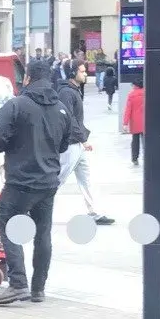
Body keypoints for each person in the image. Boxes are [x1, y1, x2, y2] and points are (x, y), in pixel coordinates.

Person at [0, 56, 70, 305]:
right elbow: (65, 143)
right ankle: (38, 289)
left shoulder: (16, 105)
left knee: (8, 225)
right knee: (42, 234)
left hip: (20, 182)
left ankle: (18, 283)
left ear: (27, 78)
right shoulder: (61, 109)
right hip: (48, 183)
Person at [56, 62, 114, 226]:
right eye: (82, 71)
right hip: (70, 144)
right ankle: (37, 208)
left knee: (86, 178)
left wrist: (82, 138)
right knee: (59, 179)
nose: (85, 74)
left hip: (77, 144)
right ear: (73, 73)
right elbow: (69, 119)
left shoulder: (73, 91)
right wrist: (83, 138)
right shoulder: (66, 93)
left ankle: (94, 211)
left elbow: (75, 119)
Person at [124, 69, 146, 165]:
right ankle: (147, 156)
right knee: (146, 140)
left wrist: (125, 123)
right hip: (145, 121)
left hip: (135, 121)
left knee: (135, 141)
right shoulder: (147, 93)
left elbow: (128, 110)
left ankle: (135, 158)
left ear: (135, 85)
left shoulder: (131, 94)